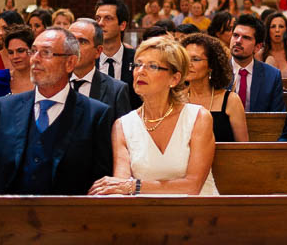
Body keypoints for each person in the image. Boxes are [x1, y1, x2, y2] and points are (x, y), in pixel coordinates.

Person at [0, 27, 113, 195]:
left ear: (70, 62)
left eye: (46, 53)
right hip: (8, 214)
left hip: (66, 216)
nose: (35, 59)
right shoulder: (5, 108)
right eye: (33, 51)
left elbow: (101, 182)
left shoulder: (96, 115)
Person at [89, 36, 218, 196]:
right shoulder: (122, 125)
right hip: (145, 215)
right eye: (138, 65)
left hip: (198, 212)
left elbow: (192, 186)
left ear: (174, 78)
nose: (141, 71)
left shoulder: (198, 117)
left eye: (152, 66)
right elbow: (120, 185)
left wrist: (134, 186)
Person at [182, 33, 248, 142]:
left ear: (211, 65)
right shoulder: (176, 99)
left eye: (195, 59)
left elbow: (243, 147)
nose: (189, 64)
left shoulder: (231, 101)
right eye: (185, 59)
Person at [68, 18, 131, 123]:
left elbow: (123, 135)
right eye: (70, 40)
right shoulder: (53, 84)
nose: (74, 47)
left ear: (98, 51)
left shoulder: (116, 90)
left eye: (82, 42)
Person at [228, 14, 285, 113]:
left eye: (246, 38)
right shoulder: (217, 71)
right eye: (235, 35)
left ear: (257, 47)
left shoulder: (272, 76)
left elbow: (277, 118)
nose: (238, 41)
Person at [95, 0, 137, 105]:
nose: (100, 23)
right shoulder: (88, 59)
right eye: (98, 18)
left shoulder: (137, 60)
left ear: (122, 25)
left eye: (108, 18)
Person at [0, 25, 35, 98]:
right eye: (10, 52)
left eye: (20, 51)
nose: (15, 56)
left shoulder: (44, 80)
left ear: (32, 51)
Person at [262, 11, 287, 89]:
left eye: (281, 26)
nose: (277, 30)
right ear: (268, 30)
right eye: (273, 26)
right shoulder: (260, 55)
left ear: (286, 30)